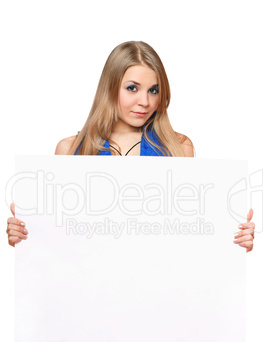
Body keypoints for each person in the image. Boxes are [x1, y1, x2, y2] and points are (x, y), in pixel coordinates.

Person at [6, 41, 255, 251]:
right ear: (110, 87)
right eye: (132, 88)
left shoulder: (178, 148)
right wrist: (26, 233)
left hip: (156, 294)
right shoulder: (70, 149)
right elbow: (57, 242)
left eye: (154, 90)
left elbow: (190, 239)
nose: (145, 101)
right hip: (86, 294)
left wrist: (232, 237)